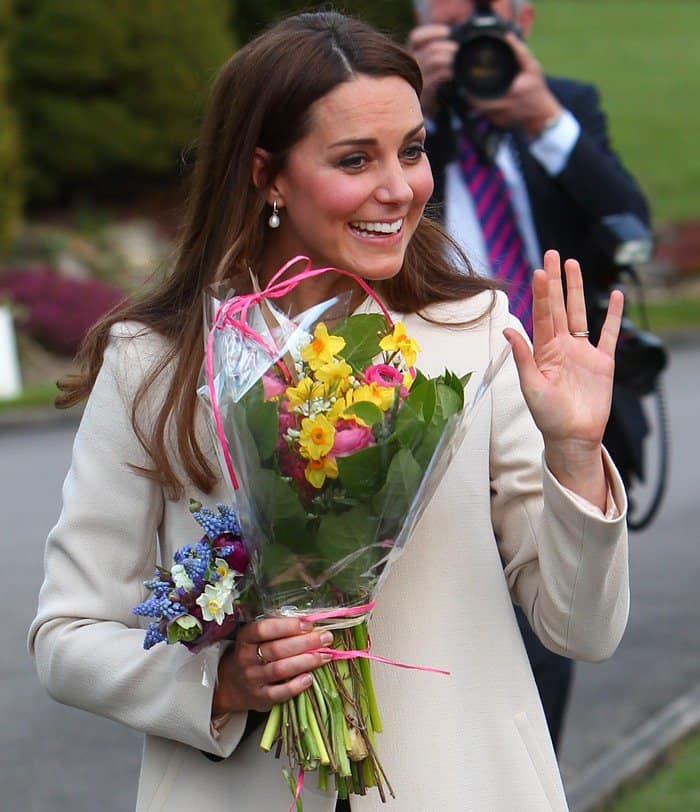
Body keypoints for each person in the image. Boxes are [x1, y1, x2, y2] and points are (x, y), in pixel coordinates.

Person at [29, 12, 629, 812]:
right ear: (266, 173)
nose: (400, 188)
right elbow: (68, 639)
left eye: (412, 150)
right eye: (356, 159)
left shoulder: (478, 336)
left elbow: (582, 630)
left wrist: (577, 455)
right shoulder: (154, 361)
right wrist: (219, 681)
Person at [407, 0, 649, 750]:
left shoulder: (564, 105)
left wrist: (545, 120)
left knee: (549, 647)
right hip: (428, 409)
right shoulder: (408, 117)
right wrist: (415, 102)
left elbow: (628, 217)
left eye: (490, 13)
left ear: (526, 20)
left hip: (558, 400)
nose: (475, 35)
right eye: (454, 17)